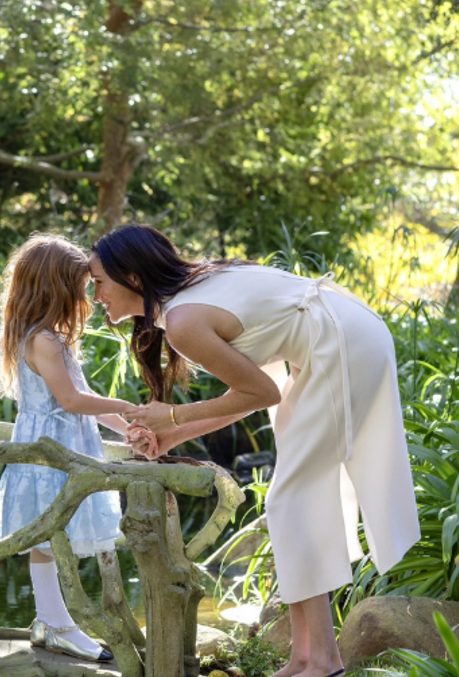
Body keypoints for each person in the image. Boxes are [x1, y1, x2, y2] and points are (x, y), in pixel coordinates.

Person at [91, 224, 420, 677]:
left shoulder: (185, 321)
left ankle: (321, 661)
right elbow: (249, 393)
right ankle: (305, 658)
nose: (95, 295)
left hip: (344, 344)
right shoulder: (193, 294)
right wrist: (173, 435)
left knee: (292, 499)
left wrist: (170, 416)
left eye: (98, 282)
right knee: (293, 500)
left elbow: (261, 392)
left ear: (130, 276)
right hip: (341, 335)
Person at [0, 235, 148, 663]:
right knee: (50, 535)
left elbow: (83, 398)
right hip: (51, 455)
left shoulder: (50, 337)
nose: (88, 297)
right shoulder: (42, 340)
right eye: (81, 288)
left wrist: (127, 425)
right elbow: (72, 402)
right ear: (55, 288)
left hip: (64, 447)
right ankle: (58, 623)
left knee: (53, 535)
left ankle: (49, 618)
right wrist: (130, 405)